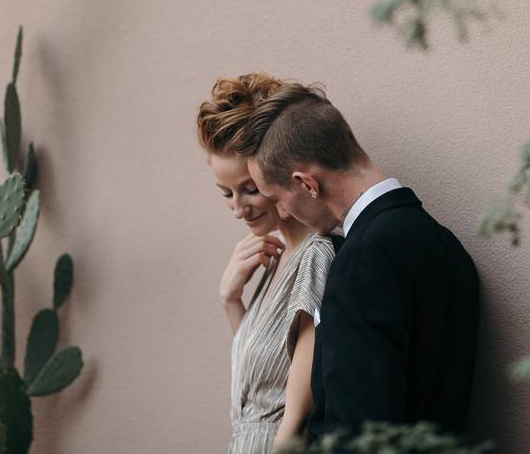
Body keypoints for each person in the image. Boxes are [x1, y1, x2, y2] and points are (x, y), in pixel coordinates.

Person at [235, 82, 480, 444]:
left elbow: (357, 433)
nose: (283, 212)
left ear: (306, 184)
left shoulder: (361, 261)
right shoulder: (447, 246)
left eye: (278, 198)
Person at [196, 73, 336, 453]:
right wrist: (232, 300)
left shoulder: (316, 254)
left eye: (250, 189)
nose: (238, 209)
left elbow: (294, 415)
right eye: (226, 193)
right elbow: (261, 386)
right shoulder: (274, 259)